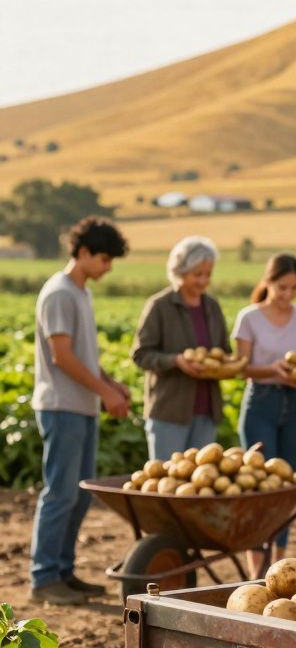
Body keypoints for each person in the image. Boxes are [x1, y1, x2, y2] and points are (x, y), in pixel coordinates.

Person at [28, 217, 131, 605]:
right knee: (60, 493)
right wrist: (105, 392)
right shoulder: (59, 293)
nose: (107, 267)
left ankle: (64, 572)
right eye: (104, 259)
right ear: (83, 252)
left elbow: (83, 356)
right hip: (61, 406)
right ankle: (43, 577)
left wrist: (110, 384)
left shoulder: (81, 293)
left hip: (81, 407)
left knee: (80, 494)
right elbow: (62, 357)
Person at [232, 253, 296, 562]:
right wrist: (273, 370)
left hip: (294, 404)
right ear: (268, 282)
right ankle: (257, 564)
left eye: (294, 288)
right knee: (258, 487)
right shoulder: (249, 317)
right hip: (260, 403)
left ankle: (278, 563)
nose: (288, 295)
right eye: (282, 287)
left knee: (285, 489)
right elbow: (242, 369)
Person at [131, 236, 229, 460]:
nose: (204, 281)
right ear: (180, 271)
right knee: (167, 482)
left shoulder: (212, 307)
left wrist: (224, 365)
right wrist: (176, 361)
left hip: (207, 411)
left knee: (199, 483)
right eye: (197, 274)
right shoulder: (159, 306)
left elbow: (224, 350)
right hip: (169, 413)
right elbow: (141, 355)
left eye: (208, 274)